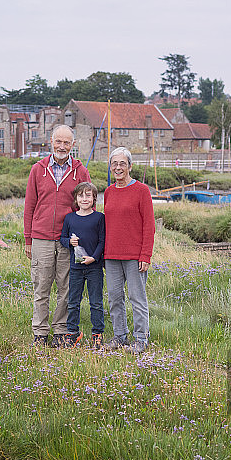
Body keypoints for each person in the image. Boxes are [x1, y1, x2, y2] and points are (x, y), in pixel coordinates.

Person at [24, 125, 92, 347]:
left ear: (73, 145)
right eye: (58, 141)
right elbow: (30, 206)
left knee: (66, 287)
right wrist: (28, 240)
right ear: (51, 141)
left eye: (67, 142)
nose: (62, 146)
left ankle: (61, 331)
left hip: (68, 240)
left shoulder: (80, 171)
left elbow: (88, 205)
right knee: (41, 287)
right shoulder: (38, 169)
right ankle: (40, 332)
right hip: (41, 238)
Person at [102, 146, 155, 354]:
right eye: (114, 164)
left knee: (137, 298)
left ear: (130, 167)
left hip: (135, 256)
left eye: (122, 163)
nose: (118, 167)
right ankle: (120, 336)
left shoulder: (142, 191)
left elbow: (149, 226)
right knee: (115, 297)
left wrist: (145, 254)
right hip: (112, 255)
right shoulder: (108, 192)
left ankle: (141, 339)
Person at [59, 182, 105, 348]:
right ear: (76, 199)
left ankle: (97, 334)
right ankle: (72, 332)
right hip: (76, 268)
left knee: (96, 303)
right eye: (81, 196)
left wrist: (94, 258)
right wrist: (69, 242)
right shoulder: (70, 218)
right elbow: (62, 238)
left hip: (94, 267)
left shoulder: (100, 217)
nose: (84, 199)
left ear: (94, 199)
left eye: (88, 196)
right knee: (73, 302)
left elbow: (102, 241)